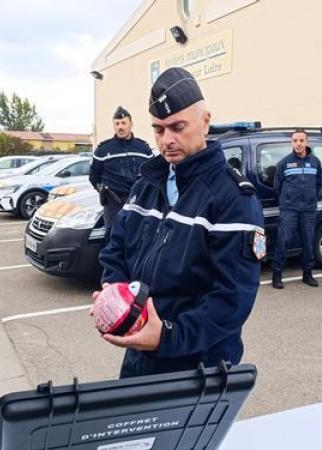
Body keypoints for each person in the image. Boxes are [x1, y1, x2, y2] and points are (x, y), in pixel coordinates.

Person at [92, 67, 265, 378]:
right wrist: (113, 293)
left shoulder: (233, 197)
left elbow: (233, 298)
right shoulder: (146, 183)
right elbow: (115, 249)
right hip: (140, 354)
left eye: (177, 127)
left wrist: (167, 335)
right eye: (158, 130)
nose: (167, 140)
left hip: (201, 367)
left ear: (205, 121)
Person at [271, 129, 322, 289]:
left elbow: (319, 183)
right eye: (295, 141)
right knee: (283, 241)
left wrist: (313, 197)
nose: (298, 144)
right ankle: (277, 274)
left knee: (308, 242)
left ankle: (307, 274)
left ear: (307, 142)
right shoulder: (284, 163)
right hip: (289, 209)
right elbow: (277, 186)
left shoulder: (315, 162)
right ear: (291, 143)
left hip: (308, 209)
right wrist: (288, 199)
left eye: (301, 140)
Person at [89, 106, 152, 238]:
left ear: (131, 124)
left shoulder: (143, 148)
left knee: (137, 240)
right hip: (113, 205)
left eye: (123, 123)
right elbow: (93, 176)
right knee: (113, 243)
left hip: (138, 203)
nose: (120, 127)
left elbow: (152, 174)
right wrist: (101, 189)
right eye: (117, 123)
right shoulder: (103, 149)